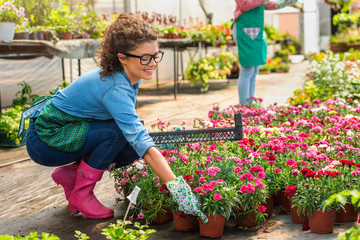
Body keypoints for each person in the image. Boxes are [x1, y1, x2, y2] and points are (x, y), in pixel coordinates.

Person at [24, 13, 208, 222]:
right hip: (45, 142)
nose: (153, 63)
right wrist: (178, 189)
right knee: (124, 134)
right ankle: (82, 194)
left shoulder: (127, 75)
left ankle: (73, 175)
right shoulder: (115, 86)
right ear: (122, 57)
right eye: (145, 58)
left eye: (156, 55)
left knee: (129, 144)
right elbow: (137, 138)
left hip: (63, 132)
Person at [233, 0, 297, 105]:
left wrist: (284, 3)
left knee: (254, 71)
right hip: (244, 29)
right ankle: (244, 105)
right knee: (247, 69)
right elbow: (244, 5)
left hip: (256, 30)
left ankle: (251, 103)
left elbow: (265, 5)